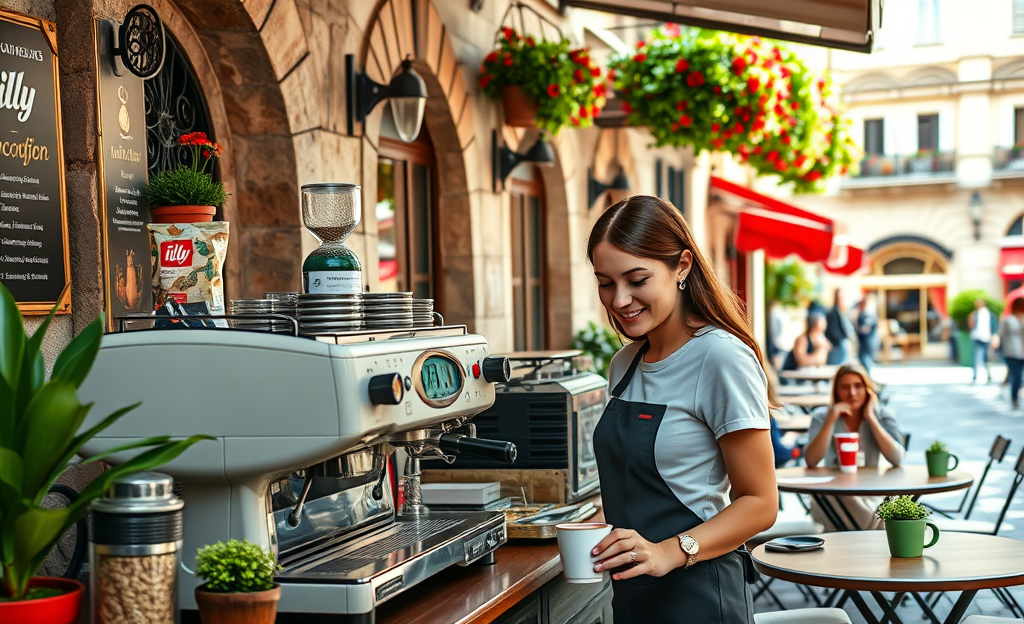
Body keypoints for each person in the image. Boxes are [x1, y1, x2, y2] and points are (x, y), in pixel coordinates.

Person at [587, 196, 777, 623]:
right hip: (634, 596)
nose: (619, 300)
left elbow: (761, 502)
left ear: (683, 267)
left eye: (637, 279)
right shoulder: (625, 362)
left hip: (700, 596)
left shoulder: (720, 357)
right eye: (605, 282)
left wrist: (669, 552)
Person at [804, 363, 905, 531]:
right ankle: (873, 529)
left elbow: (897, 458)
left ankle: (867, 531)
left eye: (858, 386)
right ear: (836, 391)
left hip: (872, 491)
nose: (852, 393)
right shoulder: (823, 417)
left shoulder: (882, 415)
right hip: (836, 494)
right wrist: (831, 420)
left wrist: (870, 417)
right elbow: (811, 460)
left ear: (868, 389)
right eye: (844, 387)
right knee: (829, 497)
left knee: (881, 505)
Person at [1000, 297, 1024, 409]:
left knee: (1017, 376)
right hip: (1012, 352)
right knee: (1018, 376)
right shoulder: (1007, 320)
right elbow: (1002, 336)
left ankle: (1006, 382)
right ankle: (1014, 399)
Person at [969, 299, 997, 384]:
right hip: (979, 337)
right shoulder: (976, 314)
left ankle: (986, 375)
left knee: (984, 357)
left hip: (985, 337)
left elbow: (994, 326)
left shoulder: (989, 314)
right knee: (980, 357)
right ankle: (976, 376)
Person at [825, 289, 855, 365]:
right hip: (837, 344)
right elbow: (832, 329)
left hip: (842, 342)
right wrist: (839, 340)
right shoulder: (833, 312)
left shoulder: (842, 311)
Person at [855, 295, 879, 374]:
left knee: (866, 362)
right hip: (865, 343)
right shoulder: (864, 314)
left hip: (867, 343)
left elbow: (865, 328)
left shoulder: (868, 314)